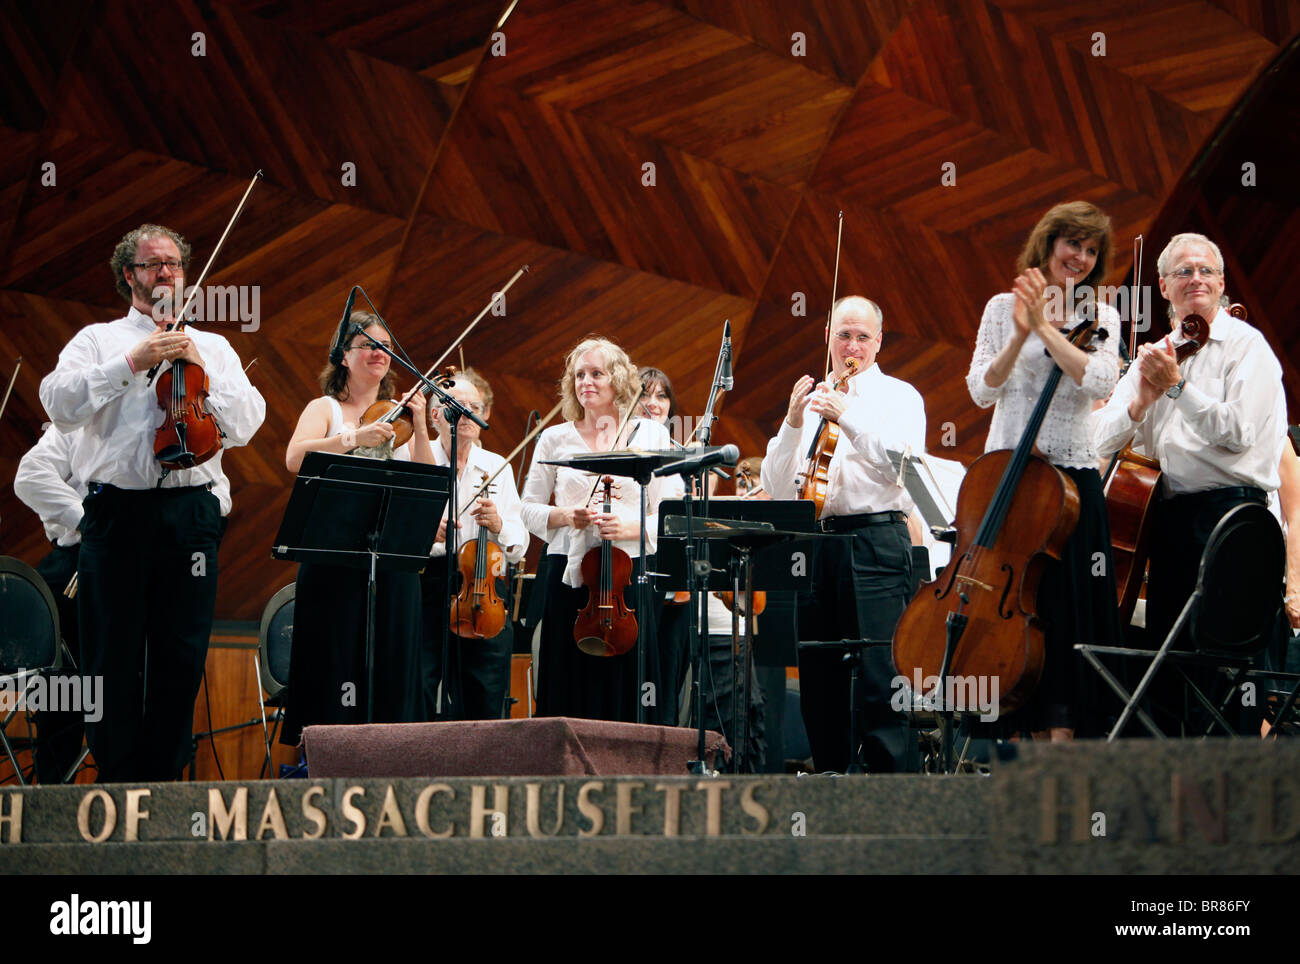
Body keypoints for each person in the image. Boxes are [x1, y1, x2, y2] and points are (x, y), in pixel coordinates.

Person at [38, 223, 265, 781]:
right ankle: (117, 788)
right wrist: (130, 364)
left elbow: (247, 424)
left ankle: (162, 791)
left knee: (180, 658)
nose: (165, 272)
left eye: (174, 264)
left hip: (190, 517)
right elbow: (58, 402)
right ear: (128, 276)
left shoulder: (214, 345)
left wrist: (204, 372)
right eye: (152, 264)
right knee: (110, 657)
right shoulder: (98, 339)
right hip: (118, 514)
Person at [1095, 232, 1285, 731]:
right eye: (1183, 271)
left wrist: (1177, 387)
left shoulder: (1248, 347)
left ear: (1221, 283)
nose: (1195, 278)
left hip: (1234, 514)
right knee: (1171, 661)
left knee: (1224, 665)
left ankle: (1237, 796)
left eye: (1205, 271)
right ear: (1163, 286)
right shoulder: (1154, 355)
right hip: (1171, 517)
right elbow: (1100, 437)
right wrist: (1139, 402)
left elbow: (1238, 431)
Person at [966, 200, 1124, 740]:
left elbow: (1100, 383)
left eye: (1090, 249)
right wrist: (1018, 334)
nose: (1078, 256)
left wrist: (1046, 328)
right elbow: (981, 390)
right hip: (1009, 476)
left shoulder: (1102, 316)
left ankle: (1064, 752)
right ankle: (1014, 741)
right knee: (1012, 605)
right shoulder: (997, 308)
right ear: (1048, 243)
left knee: (1066, 612)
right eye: (1071, 243)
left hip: (1070, 487)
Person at [762, 295, 926, 772]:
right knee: (819, 675)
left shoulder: (899, 397)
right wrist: (794, 422)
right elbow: (776, 486)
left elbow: (905, 470)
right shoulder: (812, 402)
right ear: (828, 339)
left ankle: (891, 797)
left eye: (861, 337)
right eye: (843, 335)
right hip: (817, 545)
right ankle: (831, 779)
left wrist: (847, 417)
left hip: (875, 542)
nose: (851, 346)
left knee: (881, 676)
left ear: (878, 342)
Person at [281, 312, 434, 744]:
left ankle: (390, 756)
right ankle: (332, 755)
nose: (377, 352)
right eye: (366, 344)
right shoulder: (324, 408)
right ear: (343, 356)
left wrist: (420, 425)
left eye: (384, 345)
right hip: (335, 555)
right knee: (335, 656)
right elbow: (296, 458)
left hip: (391, 559)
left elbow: (426, 479)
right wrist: (351, 439)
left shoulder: (400, 417)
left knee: (392, 658)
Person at [520, 337, 671, 722]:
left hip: (628, 573)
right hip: (567, 575)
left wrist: (628, 526)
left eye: (597, 373)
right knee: (568, 678)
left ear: (618, 379)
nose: (586, 381)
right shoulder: (554, 438)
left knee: (625, 678)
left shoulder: (649, 435)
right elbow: (527, 510)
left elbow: (670, 514)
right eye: (579, 374)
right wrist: (565, 515)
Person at [420, 372, 528, 720]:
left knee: (485, 691)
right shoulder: (415, 456)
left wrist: (499, 525)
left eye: (474, 407)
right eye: (456, 407)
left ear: (486, 415)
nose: (466, 414)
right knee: (421, 683)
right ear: (436, 415)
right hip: (428, 584)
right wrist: (423, 531)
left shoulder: (497, 466)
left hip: (484, 587)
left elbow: (519, 543)